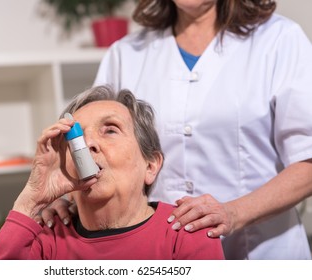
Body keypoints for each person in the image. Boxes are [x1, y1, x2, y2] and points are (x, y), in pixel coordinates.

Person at [41, 0, 312, 259]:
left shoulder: (279, 39)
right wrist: (70, 196)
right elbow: (94, 146)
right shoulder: (125, 54)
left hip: (263, 252)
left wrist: (234, 213)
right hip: (158, 253)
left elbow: (308, 160)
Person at [0, 86, 224, 260]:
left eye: (110, 130)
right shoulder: (47, 240)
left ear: (150, 166)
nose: (87, 144)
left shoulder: (187, 231)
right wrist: (31, 201)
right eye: (75, 137)